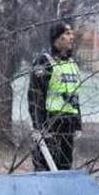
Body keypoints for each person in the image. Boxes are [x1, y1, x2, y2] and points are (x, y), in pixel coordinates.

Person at [27, 22, 82, 171]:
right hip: (50, 124)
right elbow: (35, 96)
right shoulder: (44, 63)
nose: (72, 37)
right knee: (45, 170)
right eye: (67, 33)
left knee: (64, 170)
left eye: (71, 33)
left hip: (68, 126)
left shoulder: (72, 64)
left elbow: (74, 95)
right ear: (57, 38)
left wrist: (78, 123)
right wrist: (39, 126)